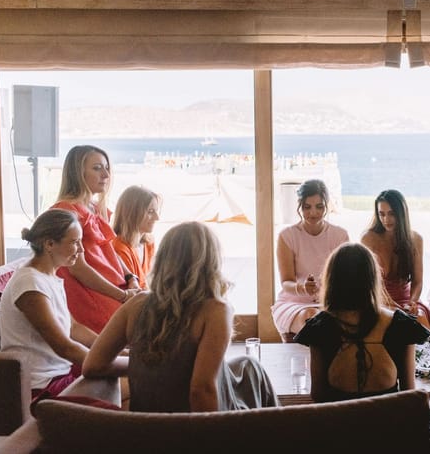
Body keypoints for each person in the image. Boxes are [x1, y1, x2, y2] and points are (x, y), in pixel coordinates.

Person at [84, 221, 278, 412]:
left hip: (146, 426)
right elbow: (201, 390)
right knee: (252, 371)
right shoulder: (216, 310)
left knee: (247, 365)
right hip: (189, 429)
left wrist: (149, 367)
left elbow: (93, 365)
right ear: (211, 263)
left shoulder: (136, 305)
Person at [0, 209, 127, 405]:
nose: (81, 250)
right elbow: (63, 346)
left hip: (59, 374)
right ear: (49, 244)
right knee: (131, 384)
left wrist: (114, 350)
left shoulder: (49, 277)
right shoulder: (29, 283)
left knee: (130, 381)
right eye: (75, 242)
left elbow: (73, 328)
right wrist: (115, 363)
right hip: (40, 385)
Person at [295, 242, 430, 402]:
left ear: (332, 280)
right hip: (388, 425)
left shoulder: (320, 326)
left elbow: (318, 395)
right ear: (372, 279)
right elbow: (409, 393)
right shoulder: (400, 324)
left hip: (338, 423)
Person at [51, 145, 140, 334]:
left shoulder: (94, 208)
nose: (106, 175)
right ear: (78, 173)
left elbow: (110, 251)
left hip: (115, 290)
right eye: (97, 168)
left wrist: (130, 277)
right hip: (92, 297)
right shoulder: (66, 211)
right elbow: (78, 268)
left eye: (107, 168)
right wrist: (123, 295)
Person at [272, 179, 349, 340]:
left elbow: (344, 279)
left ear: (327, 205)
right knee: (313, 317)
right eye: (307, 207)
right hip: (294, 303)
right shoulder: (287, 236)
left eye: (319, 207)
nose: (313, 213)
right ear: (299, 206)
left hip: (330, 302)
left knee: (326, 317)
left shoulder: (340, 235)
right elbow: (286, 283)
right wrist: (303, 288)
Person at [361, 189, 430, 332]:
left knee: (420, 319)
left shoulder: (415, 239)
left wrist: (412, 302)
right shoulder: (368, 238)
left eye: (392, 214)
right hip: (377, 298)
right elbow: (366, 283)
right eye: (381, 214)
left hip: (405, 300)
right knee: (389, 318)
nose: (386, 220)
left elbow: (418, 281)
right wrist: (390, 304)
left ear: (401, 214)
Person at [112, 185, 161, 290]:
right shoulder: (119, 248)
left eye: (156, 211)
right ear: (132, 213)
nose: (157, 217)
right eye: (150, 211)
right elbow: (136, 293)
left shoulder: (149, 243)